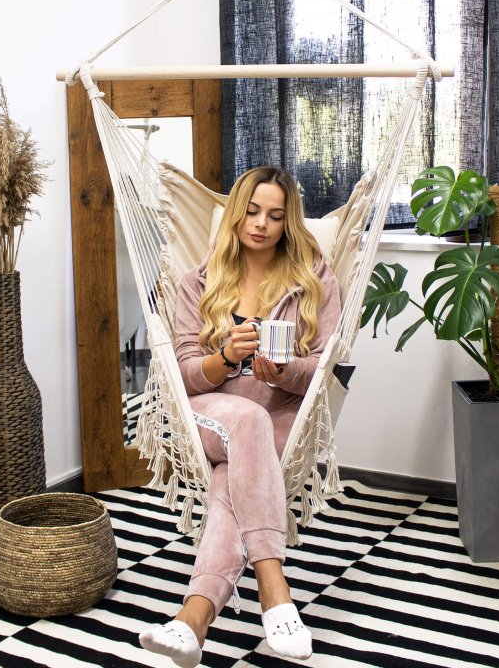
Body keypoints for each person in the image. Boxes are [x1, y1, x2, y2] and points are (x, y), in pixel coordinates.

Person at [138, 166, 342, 667]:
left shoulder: (315, 280)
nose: (261, 224)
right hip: (212, 411)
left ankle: (193, 619)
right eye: (251, 211)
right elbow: (186, 374)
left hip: (281, 415)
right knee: (246, 420)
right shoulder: (198, 282)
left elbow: (326, 368)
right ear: (235, 214)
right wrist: (227, 356)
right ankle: (274, 590)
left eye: (274, 215)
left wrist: (285, 371)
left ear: (288, 222)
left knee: (231, 483)